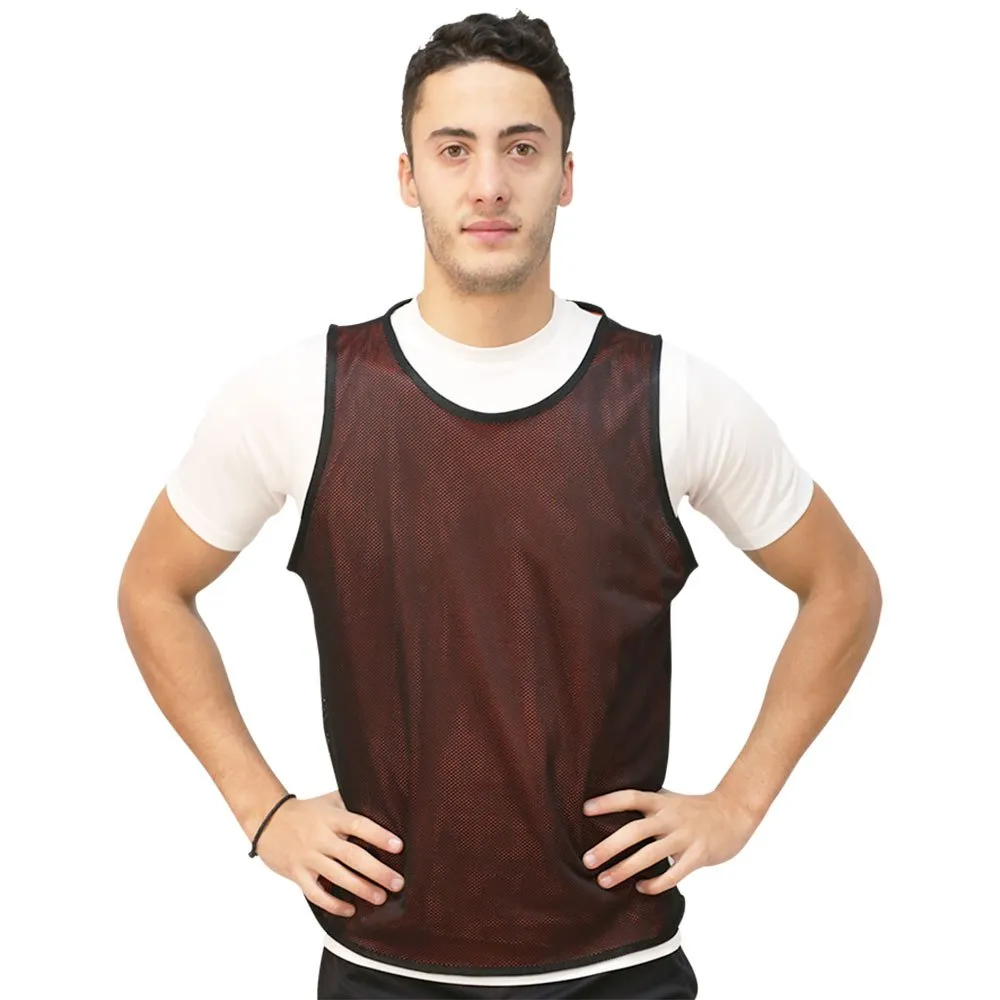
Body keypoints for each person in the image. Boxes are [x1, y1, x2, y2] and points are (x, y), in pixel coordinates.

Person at [117, 11, 882, 999]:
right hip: (381, 967)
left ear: (566, 175)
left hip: (621, 968)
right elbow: (152, 588)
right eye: (454, 150)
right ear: (407, 177)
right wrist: (263, 812)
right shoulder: (299, 394)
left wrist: (738, 803)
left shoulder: (670, 398)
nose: (488, 184)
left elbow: (842, 587)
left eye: (522, 148)